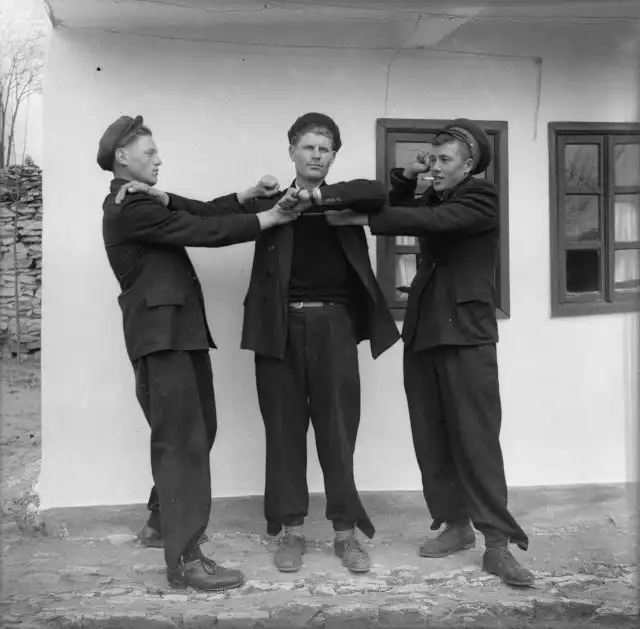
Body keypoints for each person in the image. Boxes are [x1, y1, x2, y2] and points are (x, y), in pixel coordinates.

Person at [117, 112, 400, 575]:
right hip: (278, 331)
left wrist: (316, 198)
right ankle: (291, 531)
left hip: (334, 328)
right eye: (307, 147)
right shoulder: (272, 203)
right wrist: (165, 197)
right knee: (283, 433)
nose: (316, 156)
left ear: (333, 157)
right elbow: (207, 215)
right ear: (291, 152)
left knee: (338, 433)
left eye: (324, 149)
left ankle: (345, 533)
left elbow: (377, 192)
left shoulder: (344, 199)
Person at [326, 119, 534, 587]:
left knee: (476, 439)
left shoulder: (480, 196)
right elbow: (403, 208)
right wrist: (406, 175)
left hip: (466, 334)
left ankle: (497, 545)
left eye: (445, 160)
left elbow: (431, 222)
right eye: (433, 159)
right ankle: (455, 524)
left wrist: (366, 220)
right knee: (430, 434)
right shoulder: (435, 197)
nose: (436, 167)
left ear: (470, 165)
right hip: (424, 329)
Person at [99, 114, 300, 591]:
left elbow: (201, 213)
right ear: (122, 158)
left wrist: (245, 197)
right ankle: (185, 560)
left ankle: (160, 522)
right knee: (182, 440)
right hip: (162, 338)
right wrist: (266, 219)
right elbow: (201, 230)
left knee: (197, 429)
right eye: (149, 153)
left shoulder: (145, 201)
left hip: (179, 334)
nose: (159, 159)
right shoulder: (128, 206)